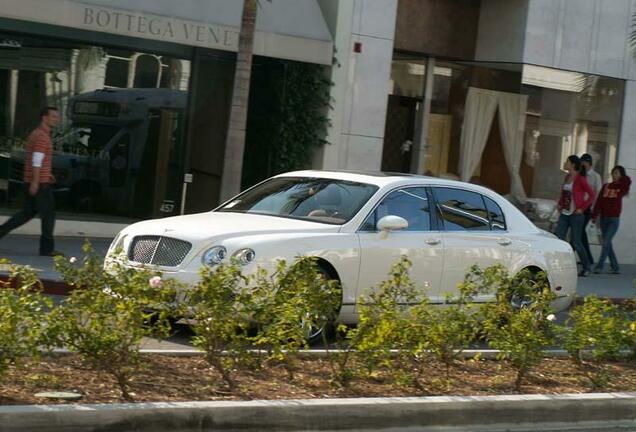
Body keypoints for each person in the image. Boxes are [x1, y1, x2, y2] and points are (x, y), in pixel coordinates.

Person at [0, 107, 60, 256]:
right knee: (48, 216)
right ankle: (46, 249)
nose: (56, 119)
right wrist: (35, 181)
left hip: (36, 180)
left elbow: (38, 160)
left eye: (56, 117)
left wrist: (47, 174)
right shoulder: (41, 136)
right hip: (39, 184)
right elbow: (36, 160)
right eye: (53, 116)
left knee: (26, 213)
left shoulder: (38, 134)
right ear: (44, 118)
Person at [555, 155, 595, 277]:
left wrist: (582, 208)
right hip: (565, 213)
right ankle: (558, 265)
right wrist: (560, 204)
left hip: (575, 215)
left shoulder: (580, 178)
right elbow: (564, 194)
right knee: (558, 238)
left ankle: (587, 267)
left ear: (572, 164)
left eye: (567, 161)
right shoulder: (567, 177)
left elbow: (592, 195)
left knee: (577, 242)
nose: (565, 163)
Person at [592, 165, 631, 274]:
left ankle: (599, 266)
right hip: (603, 218)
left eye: (617, 173)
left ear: (621, 175)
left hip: (614, 219)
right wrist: (595, 216)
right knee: (607, 243)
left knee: (606, 242)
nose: (614, 175)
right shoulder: (606, 186)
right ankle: (615, 267)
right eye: (613, 173)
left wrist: (623, 177)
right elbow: (599, 202)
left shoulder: (621, 188)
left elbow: (628, 181)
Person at [579, 153, 602, 265]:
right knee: (579, 233)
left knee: (581, 232)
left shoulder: (595, 176)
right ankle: (587, 258)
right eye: (582, 162)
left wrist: (594, 209)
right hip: (578, 207)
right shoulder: (579, 175)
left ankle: (587, 259)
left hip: (588, 208)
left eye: (585, 163)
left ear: (590, 164)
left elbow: (598, 193)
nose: (583, 165)